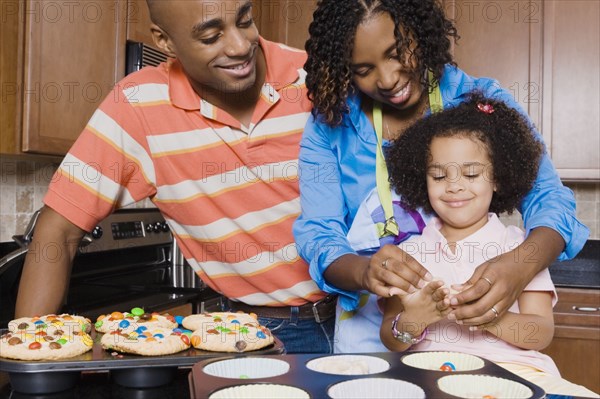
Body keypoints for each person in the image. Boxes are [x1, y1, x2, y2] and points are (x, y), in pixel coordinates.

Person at [14, 0, 336, 354]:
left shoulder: (316, 76)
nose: (240, 46)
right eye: (211, 36)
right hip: (254, 332)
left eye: (245, 21)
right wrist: (31, 355)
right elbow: (57, 230)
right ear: (164, 41)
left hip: (363, 315)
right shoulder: (136, 107)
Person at [294, 0, 588, 353]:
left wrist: (520, 267)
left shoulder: (478, 99)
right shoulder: (331, 123)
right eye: (363, 69)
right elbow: (320, 234)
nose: (387, 79)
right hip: (370, 337)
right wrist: (364, 272)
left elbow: (548, 198)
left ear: (422, 35)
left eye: (398, 52)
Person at [378, 93, 598, 397]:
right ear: (421, 179)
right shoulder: (409, 253)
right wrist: (415, 319)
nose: (454, 185)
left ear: (497, 177)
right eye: (439, 175)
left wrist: (491, 319)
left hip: (515, 376)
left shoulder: (519, 248)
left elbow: (540, 333)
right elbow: (391, 338)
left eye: (471, 173)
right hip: (430, 378)